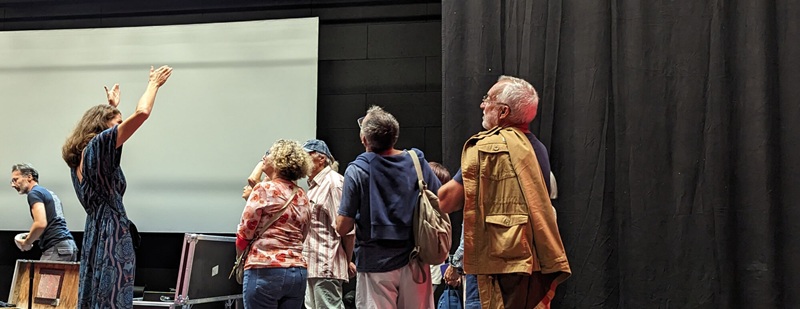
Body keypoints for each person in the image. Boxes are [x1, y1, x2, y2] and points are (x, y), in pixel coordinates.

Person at [438, 76, 571, 309]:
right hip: (527, 265)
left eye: (488, 99)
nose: (482, 105)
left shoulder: (487, 148)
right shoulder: (537, 149)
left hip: (491, 270)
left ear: (502, 112)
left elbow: (447, 201)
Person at [61, 65, 172, 308]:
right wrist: (154, 83)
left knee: (96, 295)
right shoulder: (100, 145)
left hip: (94, 232)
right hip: (111, 233)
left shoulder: (80, 156)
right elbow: (142, 112)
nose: (122, 126)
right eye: (118, 122)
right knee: (112, 298)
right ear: (103, 125)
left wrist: (111, 106)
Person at [336, 106, 442, 309]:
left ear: (364, 139)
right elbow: (441, 201)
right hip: (416, 259)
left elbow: (343, 226)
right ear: (395, 136)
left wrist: (337, 222)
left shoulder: (357, 170)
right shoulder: (416, 161)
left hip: (376, 263)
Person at [236, 139, 313, 309]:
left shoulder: (263, 189)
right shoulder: (302, 195)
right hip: (297, 271)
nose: (264, 157)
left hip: (265, 269)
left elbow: (244, 233)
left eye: (268, 154)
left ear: (278, 161)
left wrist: (239, 257)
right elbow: (304, 234)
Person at [301, 139, 353, 309]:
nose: (301, 161)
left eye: (305, 156)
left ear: (321, 159)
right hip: (313, 266)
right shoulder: (314, 185)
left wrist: (347, 260)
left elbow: (347, 228)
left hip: (326, 265)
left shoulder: (333, 183)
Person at [10, 163, 78, 261]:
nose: (13, 184)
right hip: (68, 246)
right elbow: (52, 223)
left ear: (29, 177)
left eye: (15, 180)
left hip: (56, 247)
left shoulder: (34, 193)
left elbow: (40, 224)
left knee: (43, 277)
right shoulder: (48, 193)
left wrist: (27, 243)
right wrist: (30, 236)